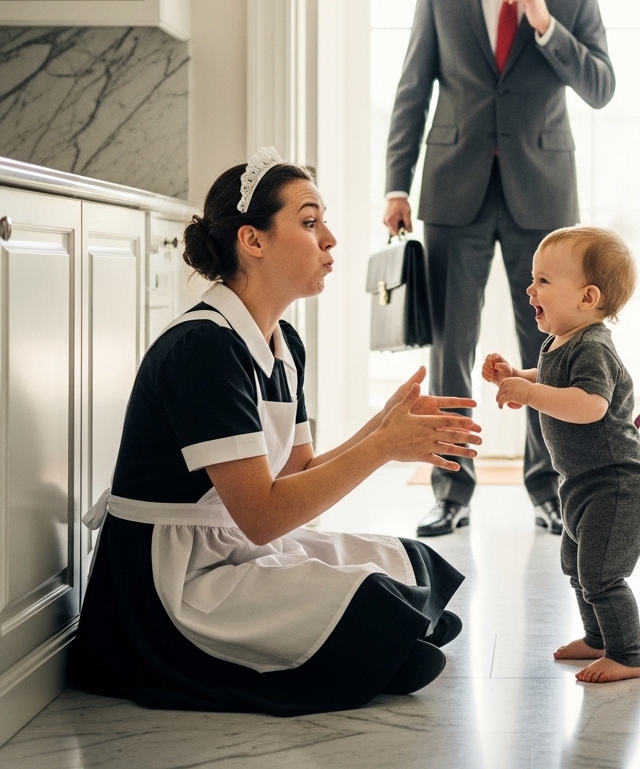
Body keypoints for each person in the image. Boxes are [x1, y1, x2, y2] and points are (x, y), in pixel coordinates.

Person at [69, 149, 482, 714]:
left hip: (231, 546)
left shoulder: (284, 344)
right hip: (167, 580)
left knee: (405, 563)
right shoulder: (204, 348)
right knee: (387, 619)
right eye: (310, 222)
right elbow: (265, 517)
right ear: (253, 240)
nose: (330, 239)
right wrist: (384, 447)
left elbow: (297, 481)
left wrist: (382, 428)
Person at [384, 0, 615, 539]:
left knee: (547, 351)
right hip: (452, 190)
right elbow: (411, 93)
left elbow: (600, 86)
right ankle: (450, 491)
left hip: (540, 197)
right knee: (450, 348)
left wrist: (545, 24)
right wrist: (397, 184)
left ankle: (548, 489)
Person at [482, 227, 640, 683]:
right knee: (577, 567)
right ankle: (597, 637)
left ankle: (627, 654)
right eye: (532, 279)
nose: (530, 290)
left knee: (602, 574)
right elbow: (550, 378)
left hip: (620, 485)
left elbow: (589, 404)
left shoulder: (594, 346)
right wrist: (516, 376)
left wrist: (531, 392)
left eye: (543, 281)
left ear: (587, 297)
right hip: (584, 483)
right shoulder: (559, 342)